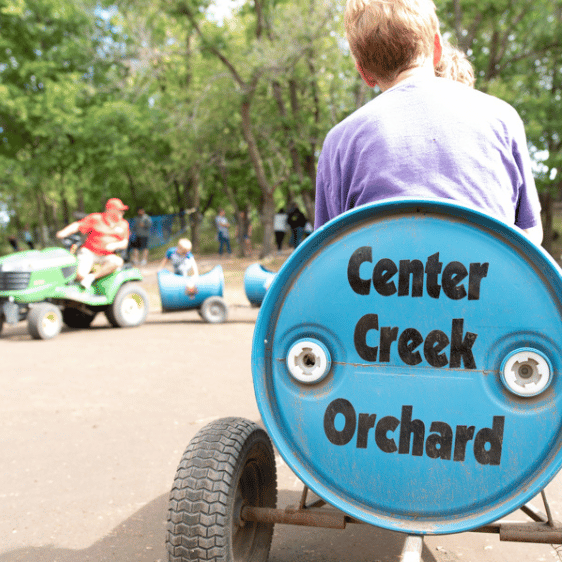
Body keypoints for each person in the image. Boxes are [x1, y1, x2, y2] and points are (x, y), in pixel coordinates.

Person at [314, 0, 542, 247]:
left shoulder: (340, 142)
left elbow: (326, 255)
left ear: (364, 72)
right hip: (483, 282)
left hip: (382, 282)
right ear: (436, 48)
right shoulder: (503, 119)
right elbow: (530, 239)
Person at [56, 198, 130, 289]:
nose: (122, 213)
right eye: (120, 210)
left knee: (118, 262)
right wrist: (63, 233)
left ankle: (91, 277)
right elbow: (77, 226)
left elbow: (125, 242)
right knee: (80, 274)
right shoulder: (96, 218)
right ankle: (85, 288)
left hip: (107, 256)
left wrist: (115, 245)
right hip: (89, 252)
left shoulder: (123, 224)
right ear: (110, 210)